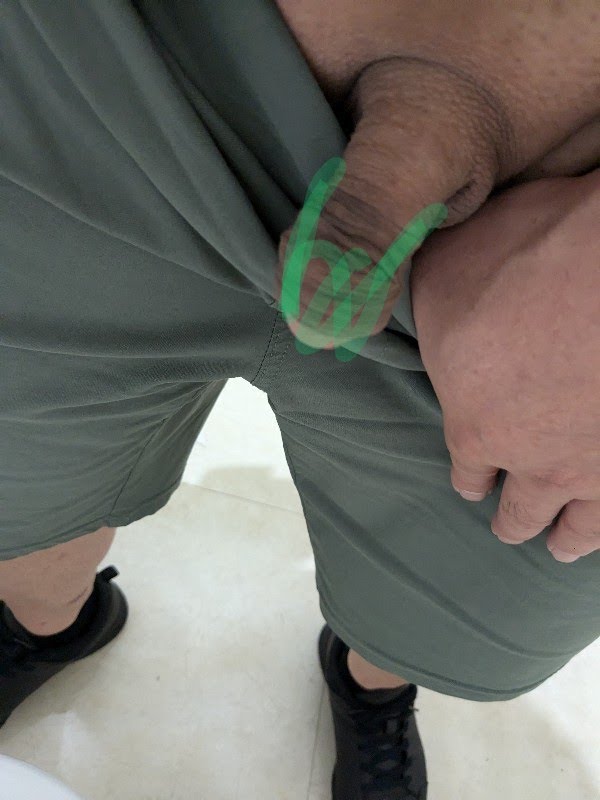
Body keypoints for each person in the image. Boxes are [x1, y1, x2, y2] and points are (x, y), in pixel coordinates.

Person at [0, 1, 598, 798]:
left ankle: (371, 684)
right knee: (22, 490)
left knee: (467, 585)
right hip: (93, 70)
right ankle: (46, 626)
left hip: (537, 237)